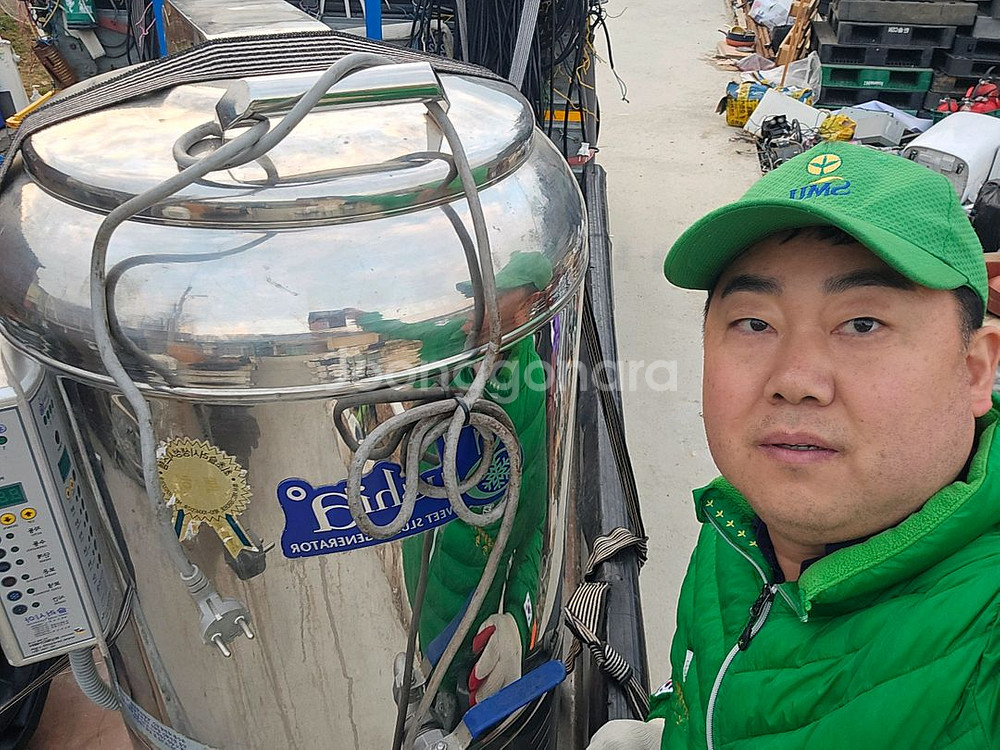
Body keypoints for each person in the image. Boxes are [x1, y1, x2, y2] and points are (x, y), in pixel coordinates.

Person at [589, 141, 1000, 749]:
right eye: (755, 323)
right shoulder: (737, 524)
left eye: (862, 324)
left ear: (974, 370)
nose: (795, 380)